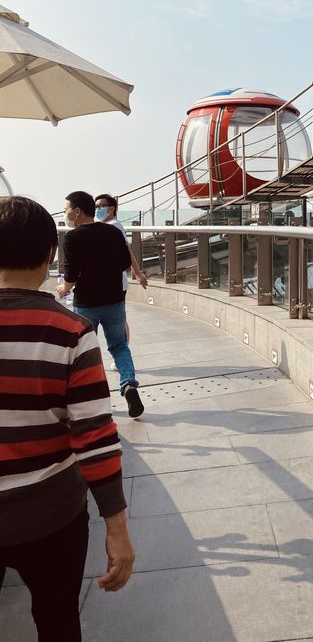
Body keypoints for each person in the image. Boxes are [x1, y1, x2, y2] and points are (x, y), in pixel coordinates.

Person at [0, 196, 135, 642]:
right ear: (49, 255)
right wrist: (116, 529)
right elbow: (94, 438)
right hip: (51, 517)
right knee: (58, 622)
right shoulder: (69, 334)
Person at [56, 190, 144, 419]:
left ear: (77, 211)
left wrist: (63, 289)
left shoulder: (73, 238)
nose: (65, 213)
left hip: (86, 304)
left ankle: (94, 399)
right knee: (119, 347)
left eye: (66, 209)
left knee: (85, 353)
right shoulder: (113, 232)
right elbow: (125, 262)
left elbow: (71, 276)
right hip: (114, 300)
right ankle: (129, 385)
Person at [94, 193, 147, 345]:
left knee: (119, 319)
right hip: (108, 281)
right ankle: (121, 351)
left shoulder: (114, 226)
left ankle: (122, 351)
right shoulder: (104, 226)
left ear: (111, 209)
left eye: (101, 206)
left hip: (115, 282)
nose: (98, 209)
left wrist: (137, 274)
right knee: (116, 318)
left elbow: (127, 250)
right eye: (96, 206)